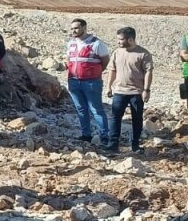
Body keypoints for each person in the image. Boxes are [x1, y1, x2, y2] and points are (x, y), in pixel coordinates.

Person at [106, 26, 153, 154]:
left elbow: (149, 72)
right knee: (115, 118)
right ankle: (113, 144)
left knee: (137, 119)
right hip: (119, 92)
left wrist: (146, 90)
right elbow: (112, 70)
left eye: (121, 39)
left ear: (131, 39)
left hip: (136, 93)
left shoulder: (143, 54)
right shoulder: (117, 52)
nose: (118, 42)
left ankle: (135, 145)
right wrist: (108, 86)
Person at [65, 18, 111, 145]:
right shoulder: (71, 44)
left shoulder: (96, 44)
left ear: (84, 28)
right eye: (72, 28)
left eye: (76, 28)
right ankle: (86, 134)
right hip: (74, 81)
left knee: (96, 109)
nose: (73, 31)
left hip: (91, 82)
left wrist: (95, 72)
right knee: (81, 109)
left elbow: (105, 61)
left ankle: (104, 135)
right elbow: (69, 59)